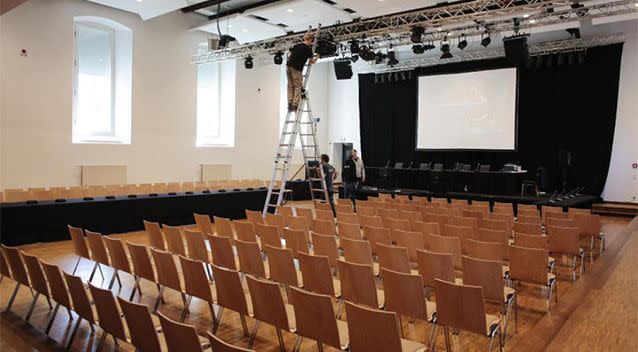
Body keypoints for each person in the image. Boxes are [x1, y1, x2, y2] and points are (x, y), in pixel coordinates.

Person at [286, 32, 319, 112]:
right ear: (311, 39)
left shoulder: (296, 45)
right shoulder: (308, 49)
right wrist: (318, 56)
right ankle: (294, 105)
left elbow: (290, 55)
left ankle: (290, 103)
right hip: (296, 68)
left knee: (290, 85)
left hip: (288, 66)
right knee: (298, 86)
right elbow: (312, 61)